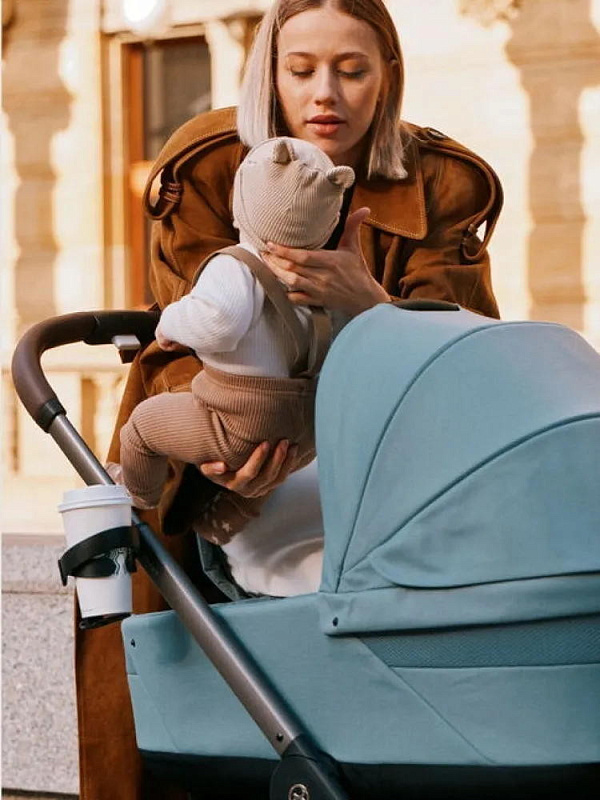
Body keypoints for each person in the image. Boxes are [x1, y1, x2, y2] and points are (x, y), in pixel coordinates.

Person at [76, 1, 503, 798]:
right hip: (220, 461)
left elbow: (471, 364)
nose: (325, 93)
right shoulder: (212, 166)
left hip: (383, 467)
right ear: (268, 74)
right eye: (301, 69)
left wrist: (372, 306)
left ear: (388, 77)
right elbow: (186, 340)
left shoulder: (440, 186)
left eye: (352, 69)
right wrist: (220, 446)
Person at [119, 136, 354, 560]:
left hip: (236, 419)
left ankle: (136, 497)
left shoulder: (234, 266)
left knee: (141, 428)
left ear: (241, 201)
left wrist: (170, 322)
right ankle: (226, 518)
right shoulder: (324, 277)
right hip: (306, 427)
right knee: (271, 468)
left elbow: (218, 324)